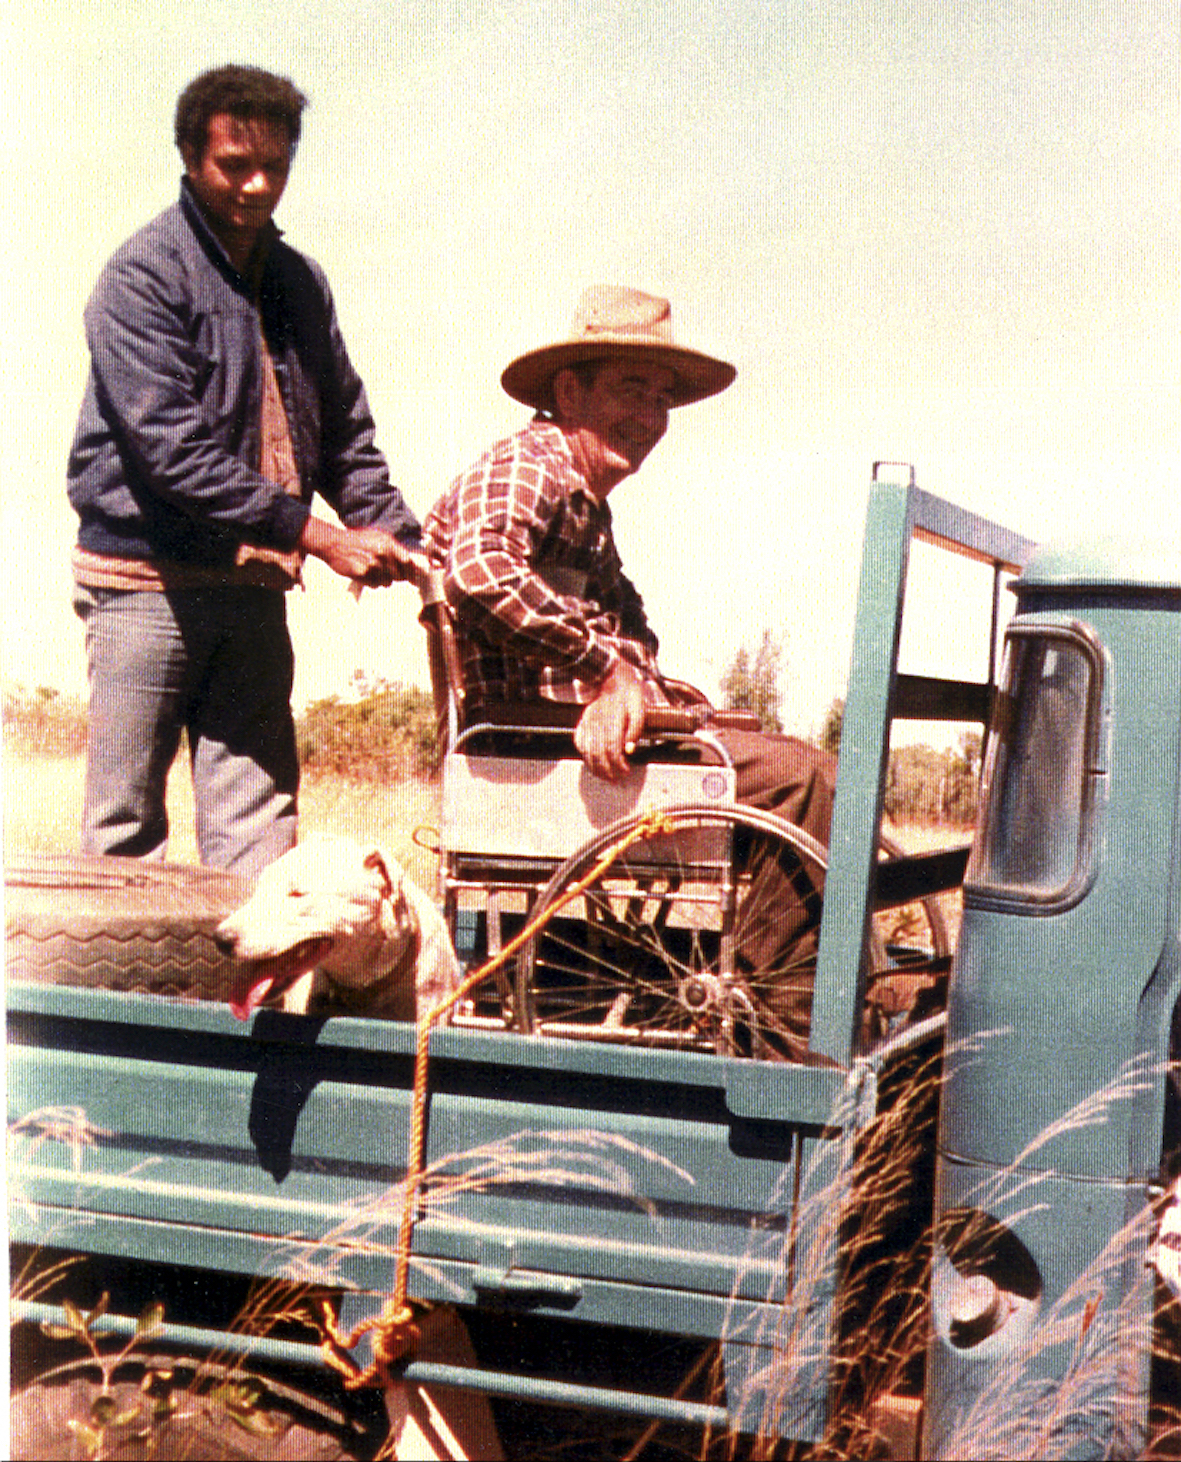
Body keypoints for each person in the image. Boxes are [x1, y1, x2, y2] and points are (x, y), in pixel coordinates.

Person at [423, 285, 837, 1058]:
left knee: (799, 761)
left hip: (582, 737)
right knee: (801, 781)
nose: (648, 418)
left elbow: (634, 627)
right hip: (529, 747)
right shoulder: (530, 466)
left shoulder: (586, 506)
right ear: (568, 391)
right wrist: (603, 669)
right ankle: (785, 1044)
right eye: (628, 390)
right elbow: (476, 571)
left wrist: (653, 688)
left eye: (660, 399)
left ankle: (788, 995)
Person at [68, 65, 423, 877]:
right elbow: (171, 452)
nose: (258, 184)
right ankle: (111, 1008)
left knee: (259, 830)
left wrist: (398, 534)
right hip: (144, 584)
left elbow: (343, 434)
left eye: (276, 165)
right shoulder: (140, 278)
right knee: (123, 835)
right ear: (191, 158)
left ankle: (246, 1000)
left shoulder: (300, 283)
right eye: (235, 164)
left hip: (252, 587)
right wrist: (318, 535)